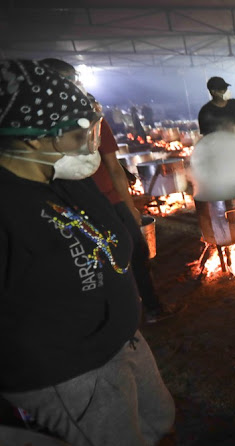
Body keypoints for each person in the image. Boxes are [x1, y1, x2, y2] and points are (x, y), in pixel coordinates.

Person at [0, 59, 176, 446]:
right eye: (79, 135)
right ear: (34, 139)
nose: (89, 147)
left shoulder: (57, 175)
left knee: (158, 422)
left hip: (121, 340)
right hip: (69, 373)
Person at [40, 57, 176, 324]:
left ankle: (149, 308)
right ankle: (124, 316)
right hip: (74, 210)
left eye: (73, 81)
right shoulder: (41, 128)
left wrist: (129, 207)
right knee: (105, 265)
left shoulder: (92, 119)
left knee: (134, 254)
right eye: (68, 82)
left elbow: (114, 168)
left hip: (105, 203)